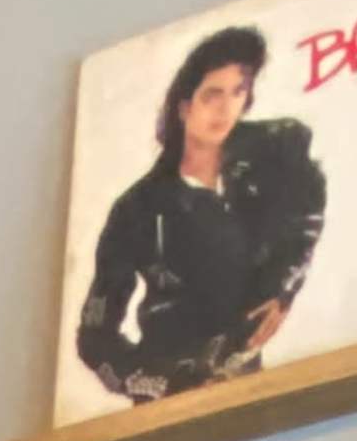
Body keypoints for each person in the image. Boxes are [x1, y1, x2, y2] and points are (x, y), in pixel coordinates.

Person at [74, 26, 328, 405]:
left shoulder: (270, 158)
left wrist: (283, 288)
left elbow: (305, 214)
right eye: (212, 95)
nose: (226, 109)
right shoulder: (137, 209)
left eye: (238, 92)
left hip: (247, 386)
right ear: (184, 106)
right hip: (166, 404)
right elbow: (95, 337)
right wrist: (157, 382)